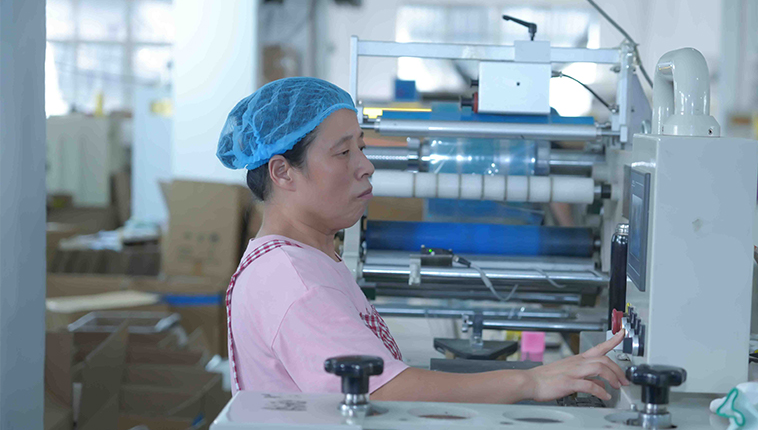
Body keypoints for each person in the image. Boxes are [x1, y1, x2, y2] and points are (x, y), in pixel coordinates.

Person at [217, 77, 628, 403]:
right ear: (282, 172)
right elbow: (381, 389)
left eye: (361, 147)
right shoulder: (292, 281)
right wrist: (531, 382)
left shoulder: (308, 260)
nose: (366, 166)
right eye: (343, 153)